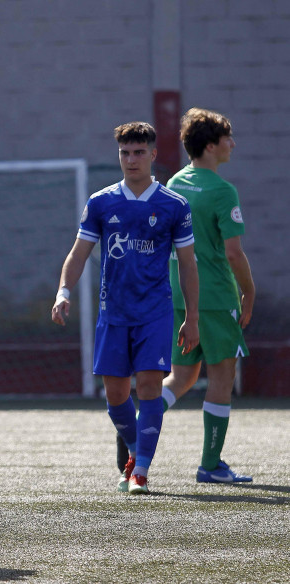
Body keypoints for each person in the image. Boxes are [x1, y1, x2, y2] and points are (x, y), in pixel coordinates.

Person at [51, 121, 199, 495]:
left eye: (138, 152)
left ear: (152, 154)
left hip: (155, 312)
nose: (131, 159)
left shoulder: (174, 205)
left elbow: (187, 264)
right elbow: (78, 253)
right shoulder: (101, 202)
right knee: (115, 395)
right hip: (113, 314)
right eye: (124, 153)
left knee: (149, 386)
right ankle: (134, 452)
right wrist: (63, 291)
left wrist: (191, 316)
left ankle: (141, 472)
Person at [115, 108, 255, 483]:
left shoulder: (174, 182)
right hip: (214, 297)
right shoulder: (223, 190)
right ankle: (210, 466)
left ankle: (135, 427)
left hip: (177, 296)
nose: (233, 144)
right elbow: (233, 253)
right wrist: (249, 292)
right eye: (228, 138)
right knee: (223, 374)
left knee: (182, 376)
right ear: (210, 146)